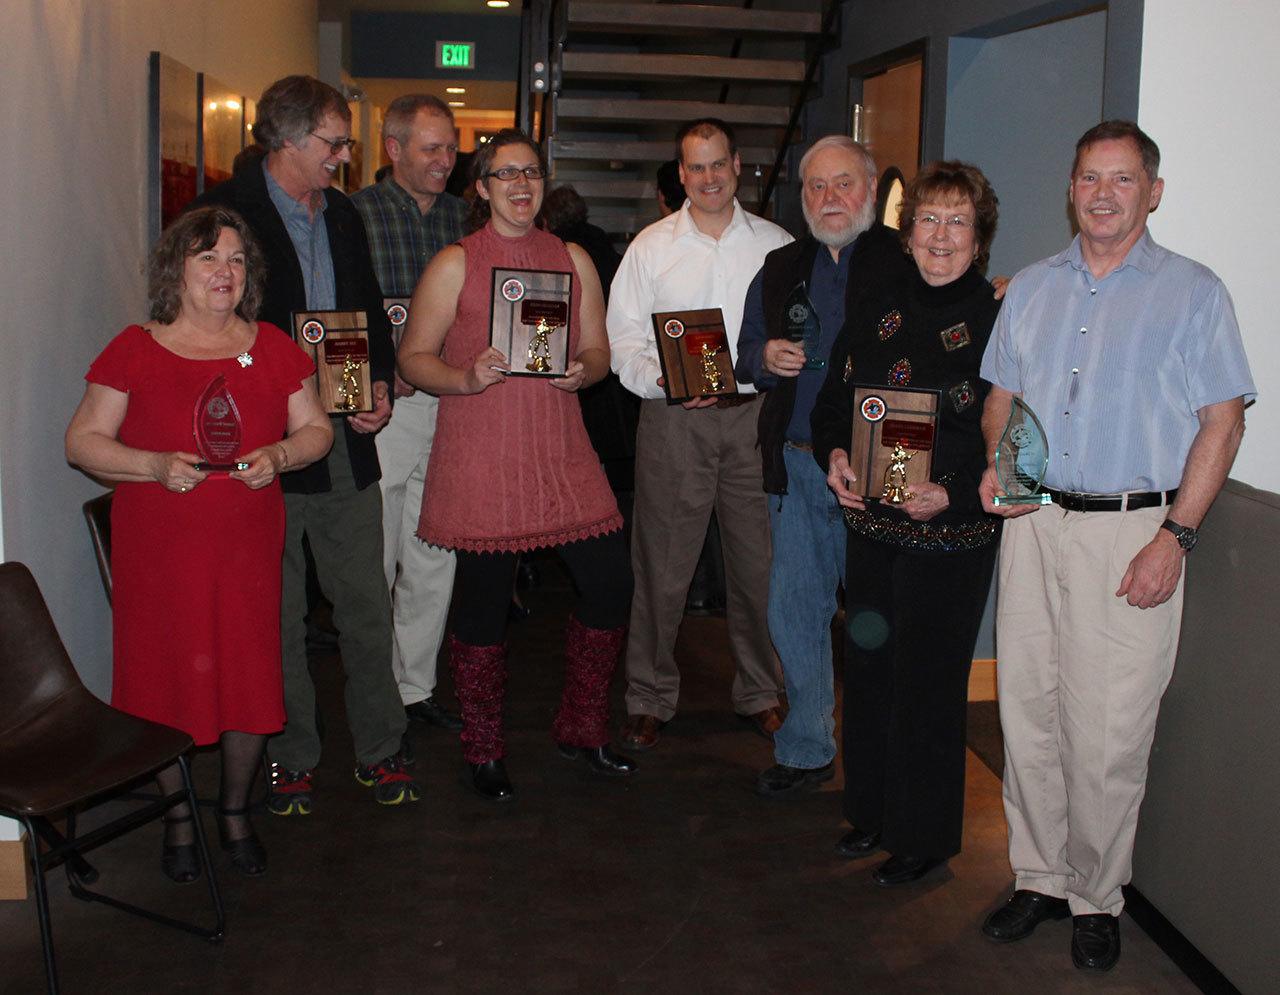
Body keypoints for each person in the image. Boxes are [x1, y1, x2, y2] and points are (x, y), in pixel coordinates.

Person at [977, 121, 1253, 972]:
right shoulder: (1031, 288)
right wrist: (998, 459)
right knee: (1026, 710)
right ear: (1071, 189)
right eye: (1089, 177)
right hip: (1033, 524)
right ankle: (1039, 875)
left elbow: (1223, 420)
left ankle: (1097, 894)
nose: (1103, 193)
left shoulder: (1194, 292)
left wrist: (1176, 535)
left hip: (1134, 529)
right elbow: (1002, 395)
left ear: (1153, 191)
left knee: (1108, 730)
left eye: (1123, 179)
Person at [65, 206, 333, 880]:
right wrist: (153, 464)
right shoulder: (134, 347)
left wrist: (279, 454)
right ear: (175, 271)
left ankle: (234, 810)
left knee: (247, 674)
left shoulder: (272, 345)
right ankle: (179, 815)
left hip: (245, 547)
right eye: (208, 258)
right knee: (163, 681)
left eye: (237, 260)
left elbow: (318, 431)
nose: (224, 272)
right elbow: (82, 441)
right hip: (160, 550)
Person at [191, 75, 419, 813]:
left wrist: (379, 385)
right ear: (287, 140)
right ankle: (291, 754)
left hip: (346, 445)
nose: (345, 155)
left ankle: (382, 749)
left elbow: (369, 315)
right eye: (334, 141)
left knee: (364, 604)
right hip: (264, 452)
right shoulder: (223, 217)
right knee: (277, 613)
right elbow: (196, 333)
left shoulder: (344, 214)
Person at [398, 129, 634, 801]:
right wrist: (463, 377)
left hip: (560, 453)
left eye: (530, 172)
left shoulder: (571, 257)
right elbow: (412, 357)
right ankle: (483, 748)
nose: (521, 185)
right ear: (481, 186)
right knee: (483, 606)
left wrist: (582, 372)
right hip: (482, 454)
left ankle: (582, 726)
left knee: (611, 583)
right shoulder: (456, 262)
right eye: (505, 174)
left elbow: (599, 353)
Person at [811, 161, 1004, 886]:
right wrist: (834, 453)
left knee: (927, 684)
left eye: (958, 221)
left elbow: (1011, 433)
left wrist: (950, 493)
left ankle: (922, 838)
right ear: (907, 230)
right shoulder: (877, 303)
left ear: (979, 238)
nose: (941, 235)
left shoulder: (998, 315)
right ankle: (870, 810)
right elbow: (835, 398)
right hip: (875, 529)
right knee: (867, 669)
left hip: (950, 536)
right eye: (928, 219)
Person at [607, 118, 792, 752]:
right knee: (661, 566)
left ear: (738, 165)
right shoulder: (650, 248)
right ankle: (649, 695)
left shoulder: (777, 246)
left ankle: (761, 690)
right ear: (680, 174)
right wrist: (669, 381)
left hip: (752, 421)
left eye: (718, 164)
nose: (708, 177)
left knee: (758, 566)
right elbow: (622, 342)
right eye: (695, 166)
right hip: (674, 422)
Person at [735, 135, 912, 796]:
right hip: (797, 466)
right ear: (800, 196)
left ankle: (881, 757)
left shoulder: (910, 260)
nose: (830, 198)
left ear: (870, 189)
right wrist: (764, 357)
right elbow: (746, 348)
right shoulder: (780, 267)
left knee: (875, 618)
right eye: (816, 186)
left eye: (844, 183)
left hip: (877, 472)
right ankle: (807, 746)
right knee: (795, 611)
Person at [352, 94, 466, 736]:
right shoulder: (354, 216)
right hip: (386, 410)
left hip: (454, 408)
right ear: (392, 149)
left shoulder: (465, 220)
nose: (445, 160)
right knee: (377, 554)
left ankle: (414, 687)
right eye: (431, 148)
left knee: (434, 551)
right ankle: (372, 691)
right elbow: (334, 312)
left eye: (450, 148)